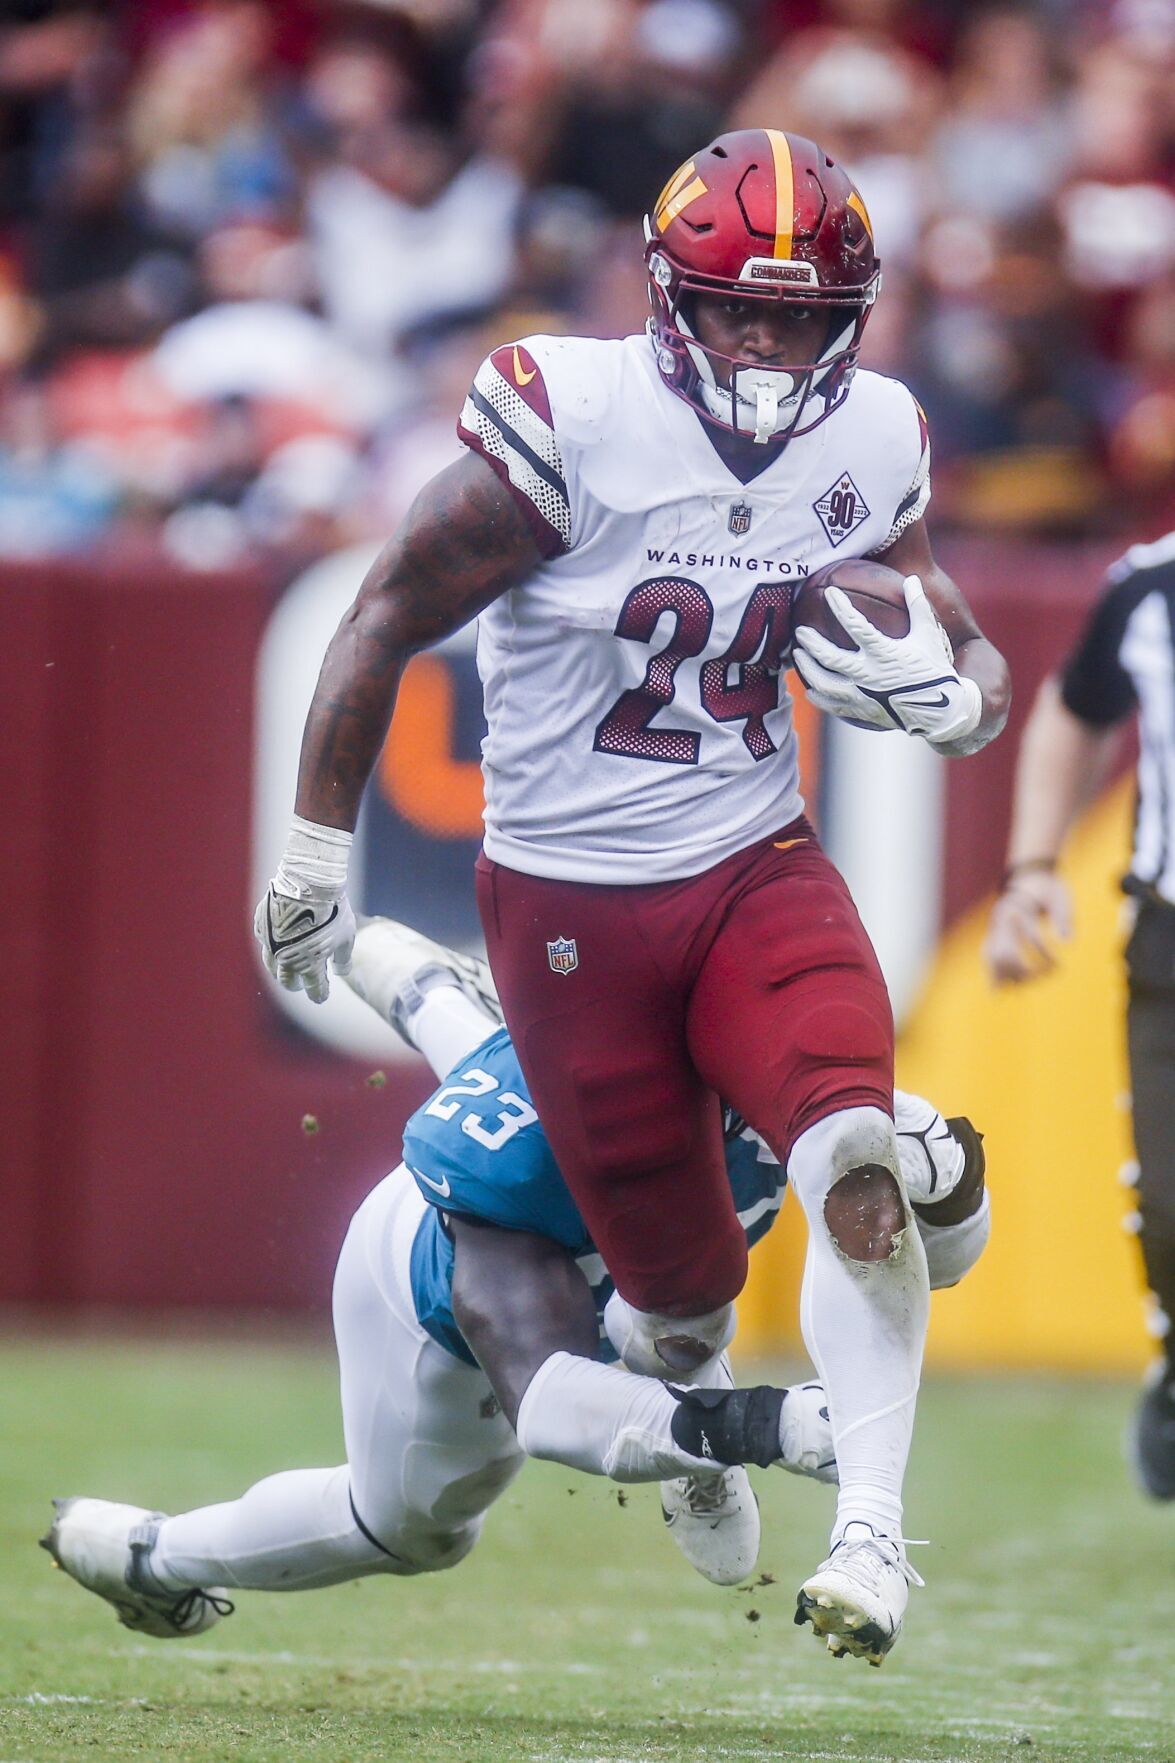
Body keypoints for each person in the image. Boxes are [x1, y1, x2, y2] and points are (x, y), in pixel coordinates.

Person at [253, 129, 1010, 1656]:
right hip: (570, 903)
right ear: (669, 300)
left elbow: (963, 640)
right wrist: (317, 850)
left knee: (853, 1157)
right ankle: (691, 1414)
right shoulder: (572, 419)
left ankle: (869, 1529)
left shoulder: (866, 436)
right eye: (739, 309)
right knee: (675, 1300)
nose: (767, 341)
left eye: (799, 317)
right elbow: (377, 619)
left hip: (750, 860)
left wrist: (964, 703)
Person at [44, 918, 989, 1665]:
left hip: (631, 1268)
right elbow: (546, 1401)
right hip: (431, 1300)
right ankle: (147, 1558)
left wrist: (949, 1186)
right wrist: (774, 1424)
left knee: (674, 1280)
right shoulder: (522, 1167)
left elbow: (931, 1260)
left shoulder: (751, 1063)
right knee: (412, 1530)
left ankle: (421, 983)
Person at [983, 532, 1175, 1501]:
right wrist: (1028, 870)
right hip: (1171, 934)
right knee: (1171, 1211)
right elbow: (1071, 705)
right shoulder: (1148, 588)